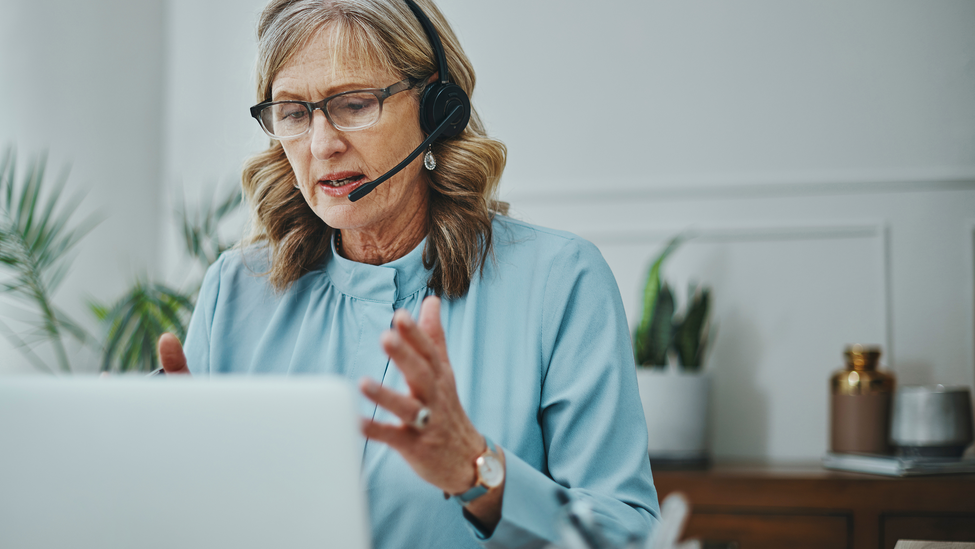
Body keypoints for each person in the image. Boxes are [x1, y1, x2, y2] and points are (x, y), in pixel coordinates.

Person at [157, 0, 660, 547]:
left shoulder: (559, 282)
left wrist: (477, 473)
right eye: (295, 114)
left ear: (438, 110)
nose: (322, 144)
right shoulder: (236, 289)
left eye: (353, 104)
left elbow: (627, 535)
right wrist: (160, 471)